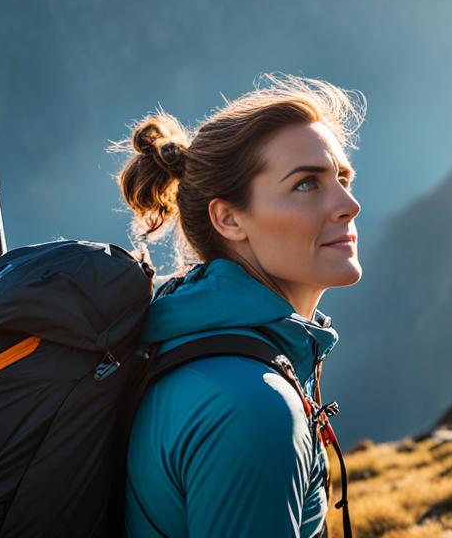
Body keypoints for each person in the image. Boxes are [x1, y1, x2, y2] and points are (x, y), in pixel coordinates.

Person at [111, 73, 366, 537]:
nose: (349, 205)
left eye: (342, 178)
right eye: (307, 184)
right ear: (228, 219)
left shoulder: (189, 339)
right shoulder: (251, 406)